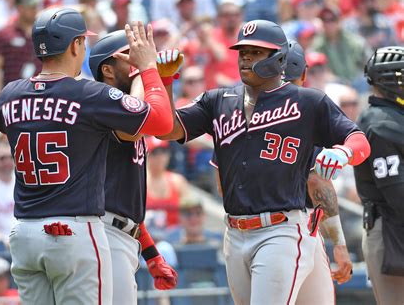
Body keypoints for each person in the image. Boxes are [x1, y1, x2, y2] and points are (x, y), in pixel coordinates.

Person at [157, 19, 371, 304]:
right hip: (234, 231)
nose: (246, 57)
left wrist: (343, 152)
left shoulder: (307, 102)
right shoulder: (218, 100)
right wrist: (165, 82)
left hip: (281, 229)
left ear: (279, 58)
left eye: (257, 51)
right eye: (242, 50)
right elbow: (168, 128)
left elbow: (359, 140)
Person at [0, 6, 174, 304]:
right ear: (75, 45)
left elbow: (10, 124)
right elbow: (160, 122)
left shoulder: (10, 94)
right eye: (82, 40)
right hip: (73, 229)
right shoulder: (89, 95)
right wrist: (148, 69)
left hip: (25, 231)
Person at [88, 30, 179, 304]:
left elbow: (126, 204)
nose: (139, 60)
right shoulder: (103, 102)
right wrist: (146, 69)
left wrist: (151, 253)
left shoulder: (123, 109)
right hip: (103, 235)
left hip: (119, 235)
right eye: (131, 58)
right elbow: (136, 119)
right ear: (108, 69)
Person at [283, 40, 353, 304]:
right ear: (303, 73)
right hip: (296, 227)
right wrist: (339, 244)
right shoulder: (304, 108)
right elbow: (316, 180)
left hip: (243, 226)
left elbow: (223, 183)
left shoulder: (238, 109)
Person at [354, 46, 404, 305]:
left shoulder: (395, 117)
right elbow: (399, 195)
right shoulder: (380, 124)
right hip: (389, 232)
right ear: (390, 81)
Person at [0, 0, 41, 95]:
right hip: (12, 94)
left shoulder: (44, 34)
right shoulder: (4, 34)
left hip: (39, 95)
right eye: (30, 7)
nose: (35, 10)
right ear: (20, 8)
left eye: (35, 6)